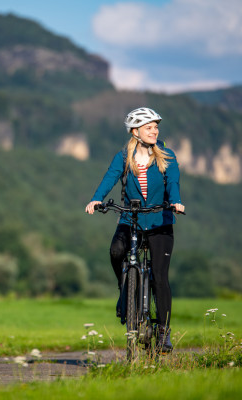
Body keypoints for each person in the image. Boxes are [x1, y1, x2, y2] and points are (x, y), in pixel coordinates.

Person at [85, 107, 185, 353]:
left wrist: (176, 201)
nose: (155, 131)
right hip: (131, 219)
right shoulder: (123, 157)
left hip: (160, 221)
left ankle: (163, 331)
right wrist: (96, 199)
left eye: (156, 127)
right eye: (149, 127)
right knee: (116, 251)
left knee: (160, 278)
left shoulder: (166, 155)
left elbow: (172, 182)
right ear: (135, 131)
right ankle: (126, 289)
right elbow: (110, 178)